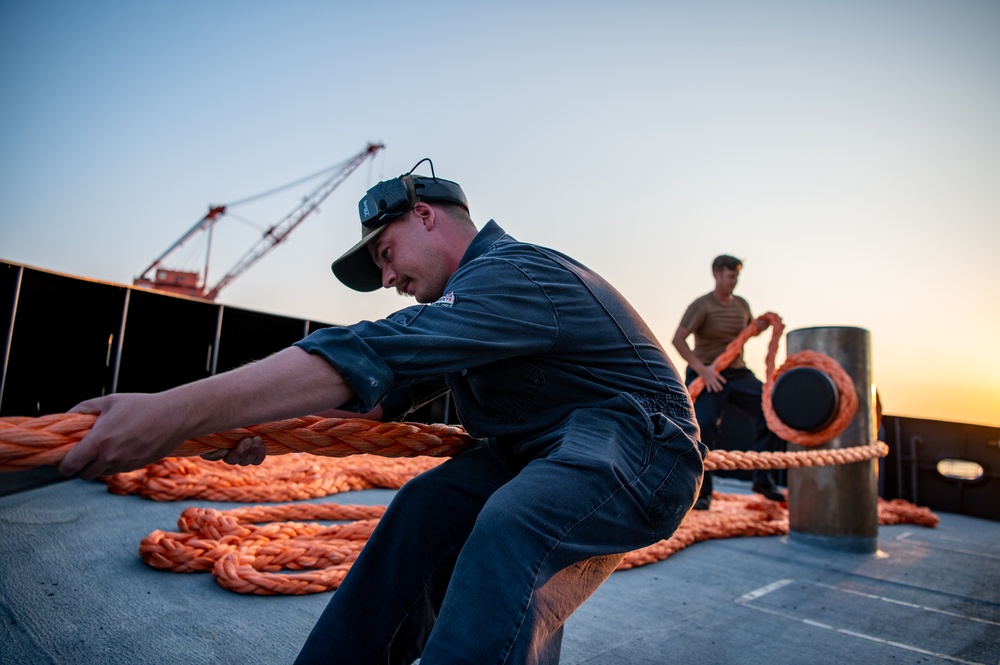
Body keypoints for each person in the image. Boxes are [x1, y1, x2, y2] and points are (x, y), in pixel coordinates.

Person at [58, 160, 707, 665]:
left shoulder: (515, 272)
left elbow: (369, 347)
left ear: (425, 215)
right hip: (539, 452)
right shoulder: (466, 314)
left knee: (517, 526)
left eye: (385, 253)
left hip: (640, 445)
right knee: (424, 507)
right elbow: (367, 393)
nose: (388, 275)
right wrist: (256, 428)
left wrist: (173, 413)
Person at [671, 254, 785, 510]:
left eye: (737, 276)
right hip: (707, 374)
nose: (735, 281)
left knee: (770, 411)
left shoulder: (741, 304)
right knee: (705, 428)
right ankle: (703, 492)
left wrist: (763, 326)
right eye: (730, 276)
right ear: (717, 275)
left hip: (737, 373)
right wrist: (704, 371)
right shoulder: (702, 306)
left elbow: (745, 333)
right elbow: (678, 340)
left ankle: (763, 480)